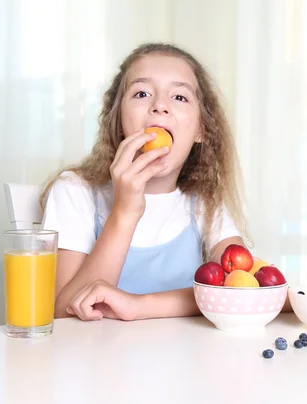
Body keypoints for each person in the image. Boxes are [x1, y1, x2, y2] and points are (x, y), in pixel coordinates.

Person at [41, 43, 248, 322]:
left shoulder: (204, 203)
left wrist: (138, 306)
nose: (160, 106)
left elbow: (245, 292)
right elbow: (62, 316)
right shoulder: (75, 191)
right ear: (118, 120)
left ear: (201, 129)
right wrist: (124, 213)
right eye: (142, 93)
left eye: (179, 97)